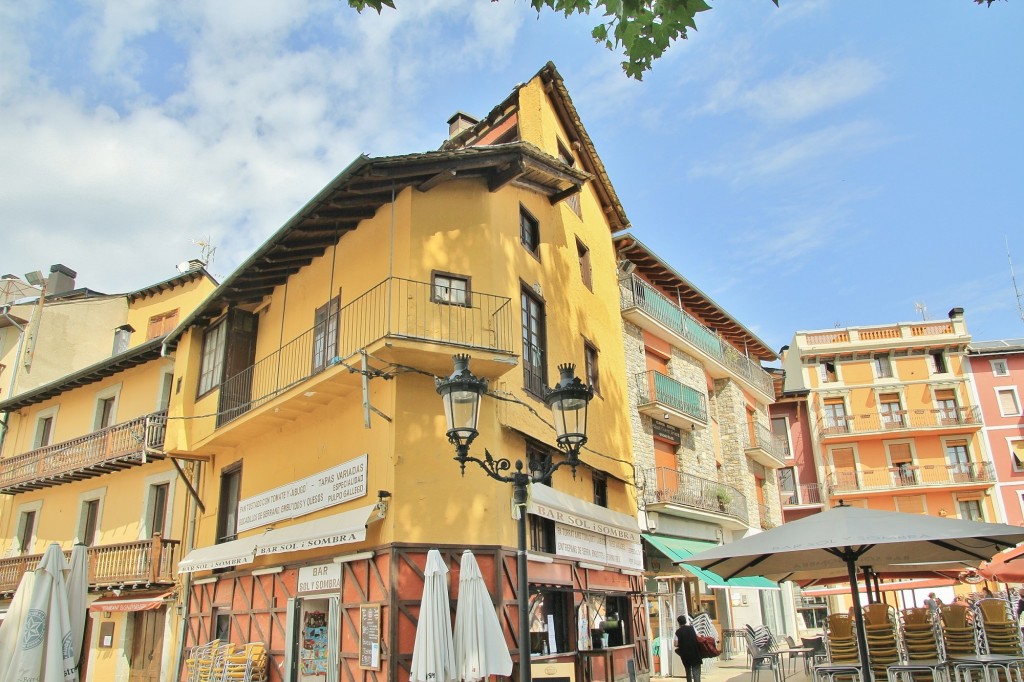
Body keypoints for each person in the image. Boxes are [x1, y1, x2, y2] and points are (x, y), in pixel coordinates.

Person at [674, 615, 703, 682]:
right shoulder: (692, 628)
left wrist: (682, 643)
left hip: (685, 655)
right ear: (685, 621)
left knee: (688, 671)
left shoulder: (678, 632)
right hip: (695, 652)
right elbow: (699, 637)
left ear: (679, 623)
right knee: (696, 671)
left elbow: (675, 644)